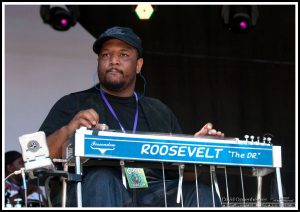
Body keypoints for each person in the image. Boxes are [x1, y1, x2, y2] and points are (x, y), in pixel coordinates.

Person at [39, 26, 224, 207]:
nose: (113, 60)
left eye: (123, 55)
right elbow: (38, 158)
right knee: (103, 177)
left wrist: (197, 151)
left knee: (202, 193)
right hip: (92, 189)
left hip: (150, 191)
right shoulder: (73, 104)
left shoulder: (159, 111)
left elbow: (185, 175)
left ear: (138, 65)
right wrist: (69, 129)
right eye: (106, 55)